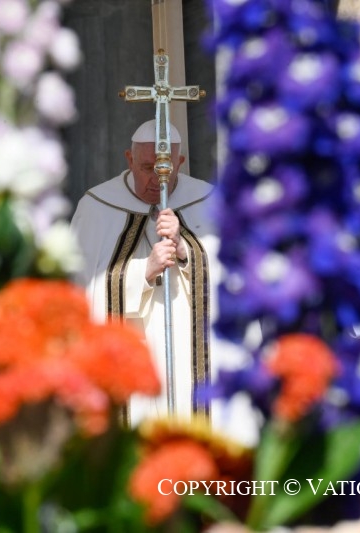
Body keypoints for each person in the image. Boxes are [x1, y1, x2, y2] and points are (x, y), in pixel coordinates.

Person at [71, 119, 255, 440]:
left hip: (189, 344)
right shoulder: (96, 206)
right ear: (129, 159)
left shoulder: (208, 201)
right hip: (134, 343)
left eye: (166, 169)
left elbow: (237, 283)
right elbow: (79, 292)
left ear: (180, 162)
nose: (157, 180)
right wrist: (144, 271)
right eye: (147, 168)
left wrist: (187, 250)